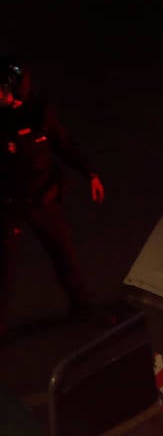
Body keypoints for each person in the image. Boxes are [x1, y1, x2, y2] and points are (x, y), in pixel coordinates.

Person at [1, 56, 107, 336]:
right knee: (4, 270)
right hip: (8, 204)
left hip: (41, 198)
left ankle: (82, 306)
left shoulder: (38, 112)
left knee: (63, 253)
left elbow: (63, 142)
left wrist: (90, 173)